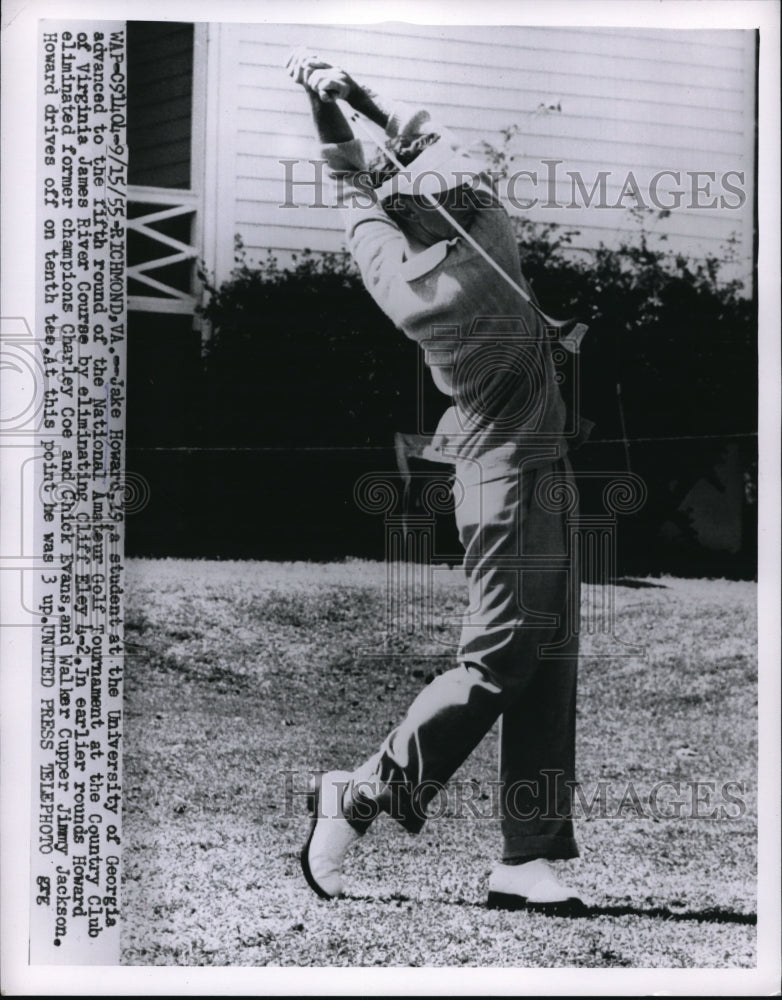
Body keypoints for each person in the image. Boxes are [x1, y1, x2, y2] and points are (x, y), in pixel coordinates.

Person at [286, 50, 586, 914]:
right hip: (510, 477)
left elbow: (354, 183)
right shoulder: (488, 232)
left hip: (518, 468)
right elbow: (411, 147)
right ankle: (361, 792)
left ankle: (526, 857)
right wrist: (355, 96)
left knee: (546, 663)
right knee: (498, 662)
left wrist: (326, 105)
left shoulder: (393, 270)